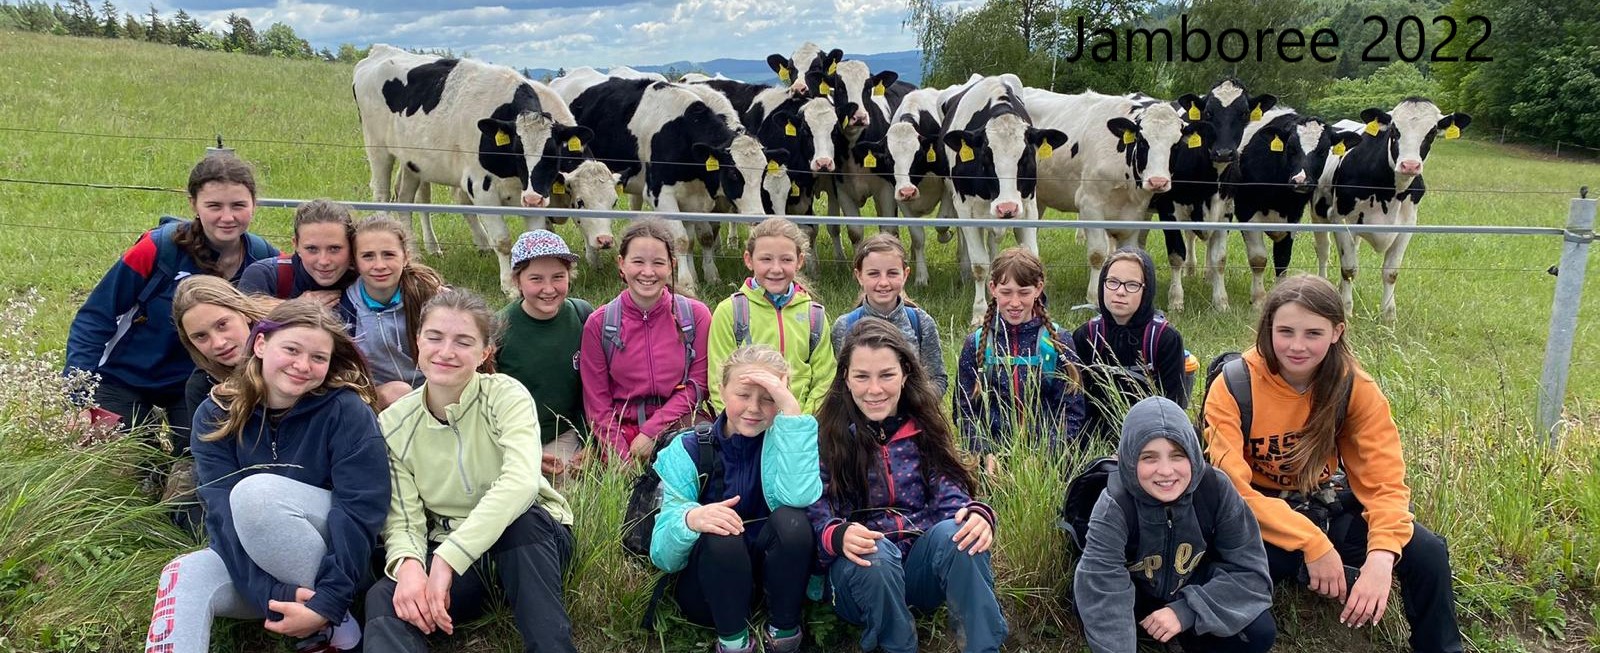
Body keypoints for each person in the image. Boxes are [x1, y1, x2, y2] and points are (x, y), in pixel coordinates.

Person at [1202, 274, 1463, 653]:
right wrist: (1313, 545)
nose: (1297, 346)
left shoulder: (1353, 387)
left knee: (1427, 551)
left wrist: (1381, 557)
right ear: (1268, 327)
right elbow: (1233, 492)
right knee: (1227, 590)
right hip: (1256, 518)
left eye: (1313, 333)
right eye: (1285, 331)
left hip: (1320, 501)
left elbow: (1385, 483)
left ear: (1337, 332)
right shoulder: (1233, 385)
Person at [143, 299, 388, 653]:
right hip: (257, 570)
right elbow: (221, 517)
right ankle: (316, 619)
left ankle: (336, 630)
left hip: (341, 563)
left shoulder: (345, 410)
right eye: (291, 349)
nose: (302, 365)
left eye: (318, 357)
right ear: (260, 344)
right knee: (183, 573)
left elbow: (360, 510)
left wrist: (329, 600)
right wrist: (272, 593)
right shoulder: (215, 413)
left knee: (254, 494)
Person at [366, 289, 578, 653]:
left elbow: (520, 483)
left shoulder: (505, 395)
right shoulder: (393, 424)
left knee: (523, 520)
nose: (446, 351)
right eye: (434, 337)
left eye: (463, 342)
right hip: (460, 562)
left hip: (534, 548)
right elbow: (403, 519)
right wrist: (409, 566)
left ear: (484, 353)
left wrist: (449, 558)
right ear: (418, 342)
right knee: (383, 597)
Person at [807, 320, 1007, 653]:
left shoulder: (924, 427)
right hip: (860, 580)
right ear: (845, 378)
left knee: (962, 535)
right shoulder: (825, 435)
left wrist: (974, 514)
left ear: (905, 374)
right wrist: (836, 534)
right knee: (875, 552)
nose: (874, 390)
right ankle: (897, 645)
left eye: (886, 375)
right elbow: (814, 507)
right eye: (861, 376)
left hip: (919, 571)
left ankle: (983, 646)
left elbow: (949, 489)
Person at [65, 153, 278, 436]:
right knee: (126, 459)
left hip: (198, 384)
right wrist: (78, 399)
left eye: (238, 205)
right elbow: (95, 316)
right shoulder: (156, 249)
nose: (227, 217)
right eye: (214, 206)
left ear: (254, 204)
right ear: (193, 204)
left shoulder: (265, 259)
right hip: (123, 378)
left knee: (193, 458)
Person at [649, 345, 819, 653]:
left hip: (772, 585)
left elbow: (800, 496)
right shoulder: (688, 449)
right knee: (721, 528)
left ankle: (784, 633)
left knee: (792, 520)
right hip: (710, 591)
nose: (754, 408)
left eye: (768, 398)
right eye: (743, 395)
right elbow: (663, 556)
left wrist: (791, 413)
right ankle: (733, 642)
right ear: (721, 390)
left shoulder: (789, 441)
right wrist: (690, 518)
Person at [1073, 396, 1276, 653]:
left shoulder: (1215, 488)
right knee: (1092, 606)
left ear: (1193, 454)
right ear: (1129, 459)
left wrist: (1186, 611)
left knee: (1258, 633)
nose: (1166, 471)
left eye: (1177, 455)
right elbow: (1103, 585)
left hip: (1193, 588)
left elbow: (1252, 574)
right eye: (1149, 458)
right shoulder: (1115, 505)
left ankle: (1182, 635)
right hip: (1133, 596)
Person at [580, 218, 712, 461]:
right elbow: (597, 403)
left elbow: (698, 385)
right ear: (621, 264)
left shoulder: (695, 316)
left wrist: (651, 432)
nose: (648, 272)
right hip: (620, 428)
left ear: (671, 265)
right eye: (638, 261)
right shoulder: (600, 324)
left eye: (658, 263)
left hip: (678, 422)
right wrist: (621, 457)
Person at [953, 247, 1086, 472]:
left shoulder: (1057, 342)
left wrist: (1044, 456)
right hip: (989, 462)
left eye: (1024, 292)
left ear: (1038, 289)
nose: (1015, 303)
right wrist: (983, 452)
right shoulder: (976, 343)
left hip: (1047, 464)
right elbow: (964, 410)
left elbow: (1072, 411)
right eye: (1006, 292)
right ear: (993, 288)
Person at [167, 275, 271, 532]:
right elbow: (214, 464)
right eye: (201, 337)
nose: (218, 343)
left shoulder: (292, 347)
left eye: (223, 325)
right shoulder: (202, 386)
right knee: (187, 511)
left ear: (243, 312)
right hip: (244, 474)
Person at [709, 217, 834, 414]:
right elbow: (718, 378)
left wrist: (801, 420)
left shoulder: (814, 315)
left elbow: (825, 378)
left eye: (786, 260)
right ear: (748, 260)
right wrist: (740, 421)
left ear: (800, 261)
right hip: (748, 420)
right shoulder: (730, 312)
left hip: (799, 420)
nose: (776, 269)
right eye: (766, 259)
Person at [499, 229, 596, 478]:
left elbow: (594, 387)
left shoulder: (582, 315)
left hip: (568, 431)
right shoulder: (498, 329)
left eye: (558, 277)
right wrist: (525, 451)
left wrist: (592, 441)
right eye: (536, 279)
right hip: (518, 438)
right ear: (517, 281)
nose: (549, 288)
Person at [1071, 247, 1188, 440]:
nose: (1120, 292)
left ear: (1146, 290)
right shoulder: (1087, 336)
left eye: (1132, 285)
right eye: (1112, 282)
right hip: (1094, 438)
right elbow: (1078, 403)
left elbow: (1173, 407)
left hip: (1150, 437)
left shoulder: (1165, 339)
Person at [829, 233, 947, 397]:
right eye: (873, 274)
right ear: (859, 276)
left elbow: (938, 379)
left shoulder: (921, 323)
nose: (883, 282)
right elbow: (838, 384)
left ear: (905, 275)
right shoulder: (844, 326)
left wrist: (915, 403)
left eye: (892, 273)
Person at [347, 215, 444, 408]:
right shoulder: (344, 306)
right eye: (368, 256)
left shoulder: (429, 296)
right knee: (398, 392)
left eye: (389, 255)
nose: (379, 265)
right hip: (379, 399)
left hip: (433, 391)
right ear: (354, 261)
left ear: (405, 257)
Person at [238, 198, 357, 321]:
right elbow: (241, 321)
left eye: (334, 249)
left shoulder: (365, 279)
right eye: (312, 249)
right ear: (296, 245)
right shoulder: (265, 276)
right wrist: (296, 309)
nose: (323, 261)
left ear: (351, 245)